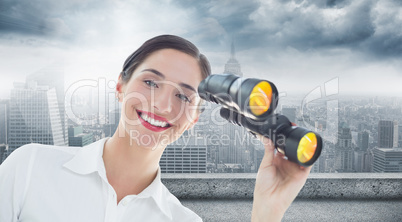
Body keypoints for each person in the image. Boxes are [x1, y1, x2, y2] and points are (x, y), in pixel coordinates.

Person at [0, 35, 311, 222]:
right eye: (150, 82)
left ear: (194, 119)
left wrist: (267, 212)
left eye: (183, 96)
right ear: (120, 85)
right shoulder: (30, 167)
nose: (163, 105)